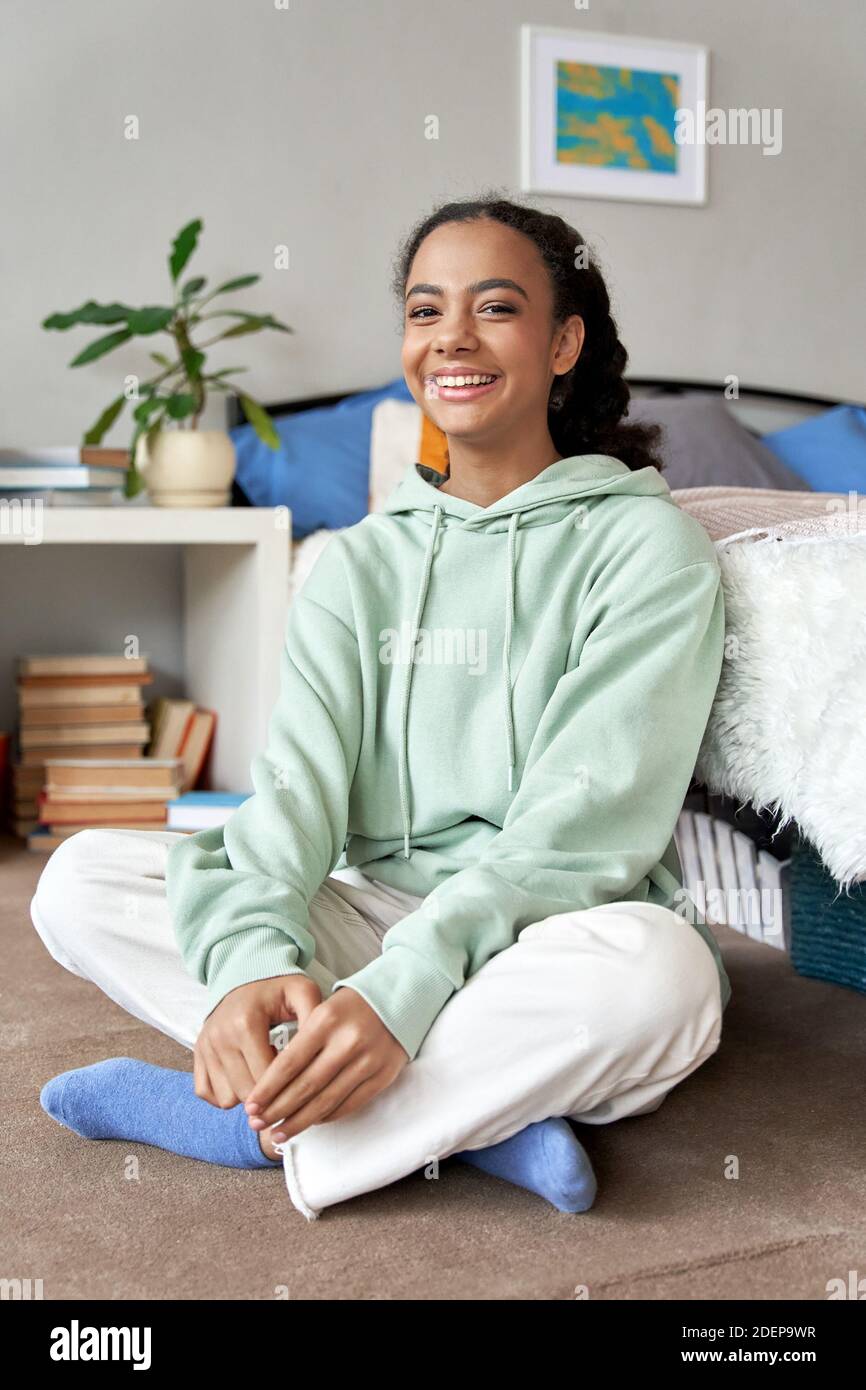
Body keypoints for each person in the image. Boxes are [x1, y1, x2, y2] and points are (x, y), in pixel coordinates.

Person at [32, 194, 731, 1222]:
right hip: (363, 915)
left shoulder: (644, 549)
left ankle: (259, 1121)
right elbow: (292, 806)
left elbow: (575, 839)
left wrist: (399, 997)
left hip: (547, 928)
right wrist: (250, 969)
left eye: (494, 307)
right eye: (422, 310)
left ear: (562, 341)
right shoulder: (356, 560)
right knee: (78, 878)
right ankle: (478, 1115)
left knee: (665, 982)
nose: (449, 336)